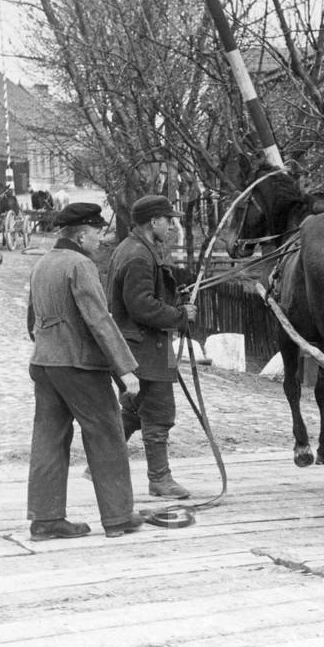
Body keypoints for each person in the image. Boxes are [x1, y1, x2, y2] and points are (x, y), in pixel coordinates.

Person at [26, 202, 145, 540]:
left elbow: (32, 322)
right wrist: (126, 370)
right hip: (79, 366)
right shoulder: (80, 265)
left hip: (44, 363)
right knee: (107, 433)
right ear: (80, 235)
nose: (100, 240)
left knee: (49, 439)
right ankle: (119, 517)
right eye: (96, 233)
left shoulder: (42, 264)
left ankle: (46, 521)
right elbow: (99, 319)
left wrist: (51, 343)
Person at [107, 194, 197, 499]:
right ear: (153, 222)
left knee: (134, 409)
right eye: (168, 220)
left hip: (136, 347)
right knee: (158, 412)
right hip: (144, 349)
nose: (171, 226)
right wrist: (180, 315)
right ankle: (160, 479)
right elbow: (142, 307)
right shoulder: (138, 255)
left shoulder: (135, 248)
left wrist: (173, 300)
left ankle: (100, 464)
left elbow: (145, 298)